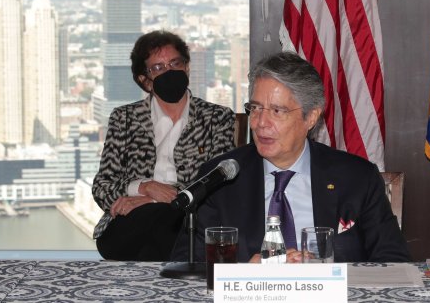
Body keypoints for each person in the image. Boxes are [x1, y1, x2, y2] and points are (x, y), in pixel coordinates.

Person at [171, 52, 409, 263]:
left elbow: (394, 261)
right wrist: (244, 273)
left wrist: (323, 271)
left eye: (277, 111)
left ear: (311, 117)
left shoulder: (357, 178)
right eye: (255, 108)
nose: (261, 123)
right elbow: (184, 264)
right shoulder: (219, 180)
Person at [91, 31, 235, 261]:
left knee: (165, 229)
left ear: (187, 67)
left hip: (189, 223)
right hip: (131, 225)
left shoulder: (217, 118)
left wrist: (156, 200)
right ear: (144, 80)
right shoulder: (124, 118)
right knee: (153, 236)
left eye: (175, 63)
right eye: (158, 67)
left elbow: (219, 183)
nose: (169, 71)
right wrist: (144, 187)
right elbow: (101, 187)